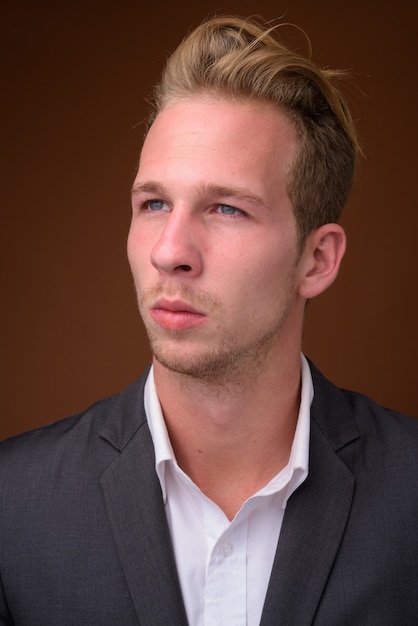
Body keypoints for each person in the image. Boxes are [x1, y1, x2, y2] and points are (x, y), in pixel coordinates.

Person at [1, 14, 417, 626]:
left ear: (317, 259)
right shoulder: (13, 504)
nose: (169, 251)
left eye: (226, 208)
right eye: (154, 203)